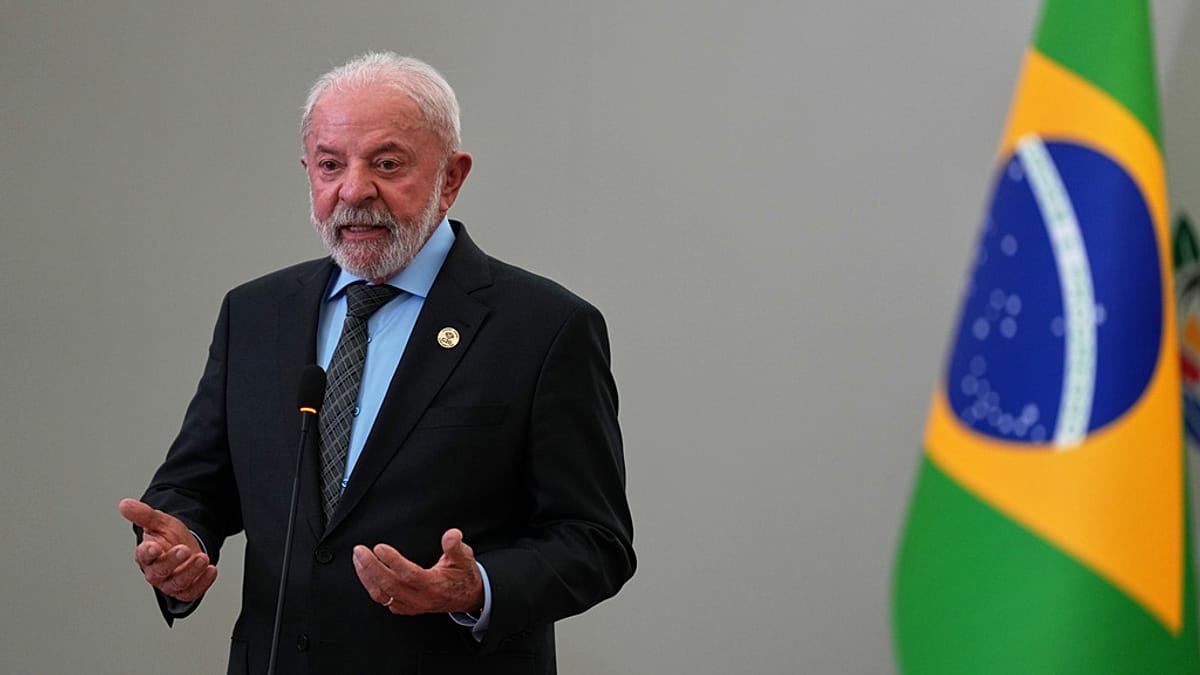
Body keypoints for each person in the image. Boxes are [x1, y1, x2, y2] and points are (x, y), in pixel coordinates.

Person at [118, 52, 635, 675]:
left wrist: (474, 588)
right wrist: (181, 542)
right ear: (308, 172)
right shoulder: (255, 314)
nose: (354, 190)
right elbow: (196, 486)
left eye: (387, 164)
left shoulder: (544, 327)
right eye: (330, 165)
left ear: (451, 178)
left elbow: (595, 540)